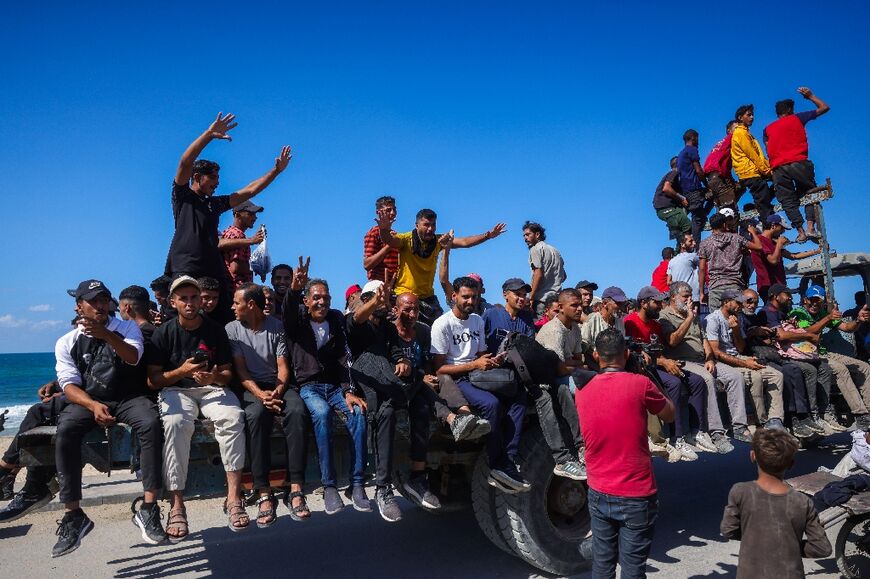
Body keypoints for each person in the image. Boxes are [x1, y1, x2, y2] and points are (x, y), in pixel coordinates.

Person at [51, 280, 165, 556]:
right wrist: (91, 405)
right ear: (79, 306)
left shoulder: (126, 328)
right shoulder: (67, 342)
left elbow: (134, 357)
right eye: (93, 301)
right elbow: (68, 384)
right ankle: (73, 515)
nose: (100, 305)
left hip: (128, 397)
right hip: (91, 399)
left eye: (103, 300)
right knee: (65, 430)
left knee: (150, 423)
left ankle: (149, 509)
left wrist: (106, 335)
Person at [164, 112, 292, 325]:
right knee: (182, 317)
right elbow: (185, 162)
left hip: (212, 267)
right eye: (212, 178)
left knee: (222, 316)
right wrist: (208, 135)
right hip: (185, 266)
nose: (217, 183)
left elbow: (248, 191)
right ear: (197, 177)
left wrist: (276, 172)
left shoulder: (215, 203)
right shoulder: (183, 197)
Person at [147, 276, 248, 540]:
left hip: (211, 389)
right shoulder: (163, 333)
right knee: (175, 423)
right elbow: (153, 380)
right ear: (173, 302)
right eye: (184, 298)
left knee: (233, 417)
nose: (190, 303)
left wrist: (213, 377)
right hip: (176, 390)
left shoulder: (215, 330)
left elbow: (227, 373)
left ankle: (234, 497)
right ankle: (177, 503)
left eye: (194, 297)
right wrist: (181, 371)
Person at [576, 328, 676, 579]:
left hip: (599, 489)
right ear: (627, 353)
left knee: (602, 563)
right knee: (632, 569)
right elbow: (670, 413)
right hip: (636, 492)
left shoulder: (581, 389)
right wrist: (647, 375)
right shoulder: (640, 384)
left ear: (596, 355)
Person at [280, 259, 369, 514]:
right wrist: (294, 289)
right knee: (321, 414)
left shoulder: (336, 319)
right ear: (306, 301)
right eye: (316, 298)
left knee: (358, 414)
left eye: (326, 298)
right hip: (309, 387)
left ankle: (358, 483)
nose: (322, 302)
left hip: (336, 386)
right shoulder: (296, 319)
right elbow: (286, 312)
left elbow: (344, 357)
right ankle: (329, 486)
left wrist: (349, 390)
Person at [389, 291, 491, 505]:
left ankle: (464, 417)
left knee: (435, 389)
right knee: (423, 385)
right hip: (398, 387)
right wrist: (420, 377)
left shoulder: (423, 331)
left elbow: (428, 361)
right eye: (407, 309)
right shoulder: (389, 332)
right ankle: (455, 421)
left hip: (420, 388)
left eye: (416, 308)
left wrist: (427, 375)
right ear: (396, 309)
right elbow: (390, 368)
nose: (412, 313)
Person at [431, 276, 529, 492]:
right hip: (458, 378)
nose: (470, 301)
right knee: (491, 404)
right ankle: (496, 465)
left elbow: (481, 352)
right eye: (465, 297)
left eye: (474, 297)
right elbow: (439, 369)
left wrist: (492, 360)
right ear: (454, 296)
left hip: (478, 373)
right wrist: (474, 364)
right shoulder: (442, 324)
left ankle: (508, 458)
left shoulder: (476, 320)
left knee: (518, 396)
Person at [226, 283, 310, 526]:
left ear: (250, 305)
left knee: (296, 411)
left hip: (277, 384)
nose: (233, 307)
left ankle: (296, 487)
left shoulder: (276, 326)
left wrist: (277, 390)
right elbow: (241, 372)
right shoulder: (232, 329)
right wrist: (262, 396)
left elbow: (283, 366)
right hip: (251, 386)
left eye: (236, 302)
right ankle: (263, 492)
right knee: (254, 416)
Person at [486, 281, 585, 480]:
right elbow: (480, 345)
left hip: (526, 375)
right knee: (542, 398)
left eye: (524, 294)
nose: (522, 297)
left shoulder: (525, 318)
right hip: (497, 373)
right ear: (505, 295)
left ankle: (581, 447)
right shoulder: (491, 315)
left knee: (560, 393)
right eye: (517, 293)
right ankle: (562, 459)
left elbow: (534, 354)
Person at [720, 429, 831, 579]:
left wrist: (759, 541)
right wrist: (788, 545)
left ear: (753, 456)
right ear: (791, 464)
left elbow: (728, 530)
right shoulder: (802, 502)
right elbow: (822, 548)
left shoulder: (740, 492)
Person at [376, 208, 506, 325]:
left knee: (439, 326)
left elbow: (465, 242)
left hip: (427, 296)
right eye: (426, 225)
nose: (430, 229)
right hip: (404, 294)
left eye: (433, 225)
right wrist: (383, 229)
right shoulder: (406, 239)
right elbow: (389, 240)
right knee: (399, 327)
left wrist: (488, 235)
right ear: (416, 225)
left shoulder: (439, 241)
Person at [659, 281, 749, 448]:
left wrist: (709, 358)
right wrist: (689, 318)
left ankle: (739, 426)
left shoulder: (692, 315)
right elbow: (672, 341)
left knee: (735, 376)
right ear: (673, 297)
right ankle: (716, 431)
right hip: (683, 361)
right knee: (708, 379)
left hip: (702, 360)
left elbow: (704, 340)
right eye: (685, 296)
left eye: (690, 296)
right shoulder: (665, 316)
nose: (689, 300)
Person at [624, 286, 708, 460]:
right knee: (674, 383)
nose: (660, 306)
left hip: (656, 365)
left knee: (696, 381)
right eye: (656, 302)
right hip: (639, 369)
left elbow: (659, 352)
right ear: (643, 303)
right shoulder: (630, 322)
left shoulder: (655, 325)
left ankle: (696, 432)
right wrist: (663, 361)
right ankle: (676, 438)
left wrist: (668, 361)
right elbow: (631, 354)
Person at [757, 284, 846, 433]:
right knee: (805, 370)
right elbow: (782, 336)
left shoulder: (783, 312)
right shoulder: (768, 312)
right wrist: (807, 335)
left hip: (791, 352)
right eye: (786, 294)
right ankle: (806, 414)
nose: (790, 297)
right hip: (776, 355)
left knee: (824, 368)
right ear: (775, 296)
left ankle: (823, 412)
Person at [738, 289, 819, 439]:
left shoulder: (756, 317)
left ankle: (802, 415)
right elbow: (740, 346)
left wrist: (770, 334)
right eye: (749, 301)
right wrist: (753, 332)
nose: (752, 305)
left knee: (794, 369)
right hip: (752, 357)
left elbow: (768, 340)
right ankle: (790, 418)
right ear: (740, 301)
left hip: (768, 353)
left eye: (755, 302)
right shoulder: (739, 318)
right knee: (783, 374)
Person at [790, 285, 870, 431]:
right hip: (806, 355)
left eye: (818, 301)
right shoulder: (798, 313)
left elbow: (846, 327)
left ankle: (869, 410)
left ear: (822, 303)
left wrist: (858, 320)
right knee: (840, 369)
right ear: (805, 300)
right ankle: (861, 415)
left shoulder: (821, 313)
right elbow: (807, 332)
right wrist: (828, 317)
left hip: (824, 352)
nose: (814, 304)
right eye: (811, 300)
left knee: (864, 367)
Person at [705, 289, 786, 430]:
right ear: (726, 302)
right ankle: (761, 421)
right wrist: (745, 363)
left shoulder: (737, 317)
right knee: (755, 377)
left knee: (776, 375)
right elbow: (716, 353)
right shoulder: (713, 319)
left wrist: (736, 330)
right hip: (723, 362)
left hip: (737, 356)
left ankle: (775, 419)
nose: (741, 306)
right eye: (737, 303)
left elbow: (740, 348)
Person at [764, 87, 831, 243]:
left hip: (779, 168)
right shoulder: (797, 118)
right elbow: (824, 108)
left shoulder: (767, 129)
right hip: (799, 162)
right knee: (809, 192)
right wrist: (810, 96)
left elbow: (768, 148)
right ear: (790, 110)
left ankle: (800, 232)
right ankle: (810, 228)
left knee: (787, 200)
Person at [698, 212, 763, 309]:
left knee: (716, 319)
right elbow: (758, 246)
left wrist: (702, 292)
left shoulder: (705, 244)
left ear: (711, 227)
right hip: (734, 284)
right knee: (735, 318)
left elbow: (702, 269)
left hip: (715, 286)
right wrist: (753, 232)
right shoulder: (736, 238)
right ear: (724, 224)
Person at [750, 215, 820, 303]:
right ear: (773, 226)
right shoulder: (760, 240)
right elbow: (773, 260)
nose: (783, 231)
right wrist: (779, 244)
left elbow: (793, 256)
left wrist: (816, 251)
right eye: (782, 228)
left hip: (780, 285)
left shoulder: (772, 242)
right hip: (768, 285)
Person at [731, 105, 774, 225]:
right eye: (748, 115)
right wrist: (767, 171)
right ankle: (767, 231)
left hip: (752, 171)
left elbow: (759, 155)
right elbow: (752, 155)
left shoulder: (746, 133)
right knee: (765, 206)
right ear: (740, 117)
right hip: (750, 173)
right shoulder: (740, 133)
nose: (752, 117)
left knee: (764, 200)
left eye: (752, 114)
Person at [522, 221, 567, 318]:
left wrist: (531, 298)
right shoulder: (555, 251)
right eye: (524, 236)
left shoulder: (535, 249)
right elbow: (563, 276)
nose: (525, 238)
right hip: (556, 301)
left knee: (541, 331)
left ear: (537, 234)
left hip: (541, 301)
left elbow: (538, 274)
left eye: (528, 234)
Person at [219, 200, 265, 289]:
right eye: (250, 214)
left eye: (255, 214)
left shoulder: (230, 232)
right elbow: (235, 267)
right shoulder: (237, 234)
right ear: (237, 215)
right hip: (236, 289)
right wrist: (257, 267)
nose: (255, 218)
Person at [677, 129, 710, 244]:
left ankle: (693, 241)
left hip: (686, 190)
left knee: (699, 215)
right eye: (697, 138)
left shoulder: (681, 154)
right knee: (697, 219)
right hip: (694, 188)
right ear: (693, 138)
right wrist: (707, 184)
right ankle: (696, 246)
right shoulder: (692, 150)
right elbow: (698, 170)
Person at [580, 286, 628, 365]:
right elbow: (584, 347)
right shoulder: (593, 319)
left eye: (623, 304)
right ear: (605, 303)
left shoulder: (619, 322)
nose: (622, 308)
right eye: (618, 303)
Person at [703, 120, 739, 210]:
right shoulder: (732, 138)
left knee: (722, 211)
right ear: (729, 131)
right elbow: (721, 159)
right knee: (730, 212)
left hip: (711, 178)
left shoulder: (719, 143)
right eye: (736, 128)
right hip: (720, 176)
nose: (739, 130)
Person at [652, 156, 691, 241]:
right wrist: (681, 198)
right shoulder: (674, 172)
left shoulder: (677, 180)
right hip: (665, 209)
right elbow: (666, 188)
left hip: (672, 208)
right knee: (687, 225)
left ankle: (675, 230)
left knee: (681, 234)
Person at [363, 196, 400, 282]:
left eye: (394, 209)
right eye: (388, 210)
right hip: (378, 284)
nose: (393, 213)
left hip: (394, 285)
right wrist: (388, 246)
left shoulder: (395, 234)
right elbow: (367, 264)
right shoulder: (373, 233)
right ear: (378, 212)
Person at [666, 233, 700, 303]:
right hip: (692, 297)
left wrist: (680, 283)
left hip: (679, 298)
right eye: (690, 241)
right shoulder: (693, 256)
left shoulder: (672, 261)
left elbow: (668, 282)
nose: (694, 243)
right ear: (682, 245)